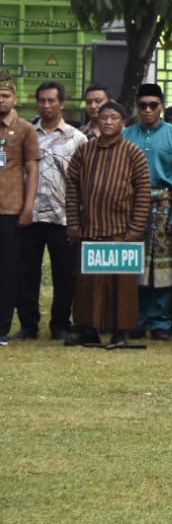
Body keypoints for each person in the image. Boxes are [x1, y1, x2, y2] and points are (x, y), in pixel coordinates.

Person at [66, 101, 151, 347]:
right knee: (88, 284)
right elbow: (71, 189)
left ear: (123, 122)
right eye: (104, 117)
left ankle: (121, 332)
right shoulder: (84, 151)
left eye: (114, 117)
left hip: (122, 230)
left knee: (122, 285)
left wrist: (135, 230)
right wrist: (74, 223)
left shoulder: (133, 152)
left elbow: (143, 193)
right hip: (89, 229)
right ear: (97, 121)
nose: (108, 122)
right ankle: (88, 330)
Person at [17, 81, 85, 341]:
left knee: (64, 275)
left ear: (62, 103)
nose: (46, 106)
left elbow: (83, 180)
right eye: (42, 101)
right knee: (28, 273)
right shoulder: (26, 133)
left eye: (51, 101)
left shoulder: (77, 138)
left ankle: (60, 324)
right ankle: (28, 325)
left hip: (63, 216)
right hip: (30, 215)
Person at [123, 83, 172, 341]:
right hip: (134, 208)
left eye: (154, 105)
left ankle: (159, 320)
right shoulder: (127, 134)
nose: (148, 110)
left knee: (163, 268)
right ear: (137, 107)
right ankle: (136, 318)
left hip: (164, 206)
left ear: (162, 106)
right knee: (135, 263)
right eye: (143, 106)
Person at [0, 73, 41, 344]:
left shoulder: (25, 128)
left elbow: (33, 168)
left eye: (4, 96)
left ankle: (2, 328)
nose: (0, 100)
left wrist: (29, 207)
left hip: (11, 208)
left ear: (15, 99)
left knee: (8, 270)